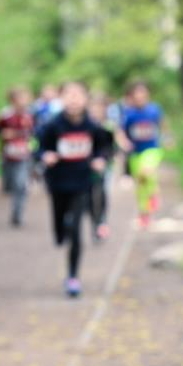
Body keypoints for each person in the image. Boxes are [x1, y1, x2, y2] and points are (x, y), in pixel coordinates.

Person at [36, 81, 111, 298]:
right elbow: (39, 147)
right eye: (68, 94)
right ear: (61, 99)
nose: (73, 99)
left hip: (82, 183)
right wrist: (44, 156)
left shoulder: (92, 126)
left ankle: (72, 276)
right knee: (60, 232)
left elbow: (105, 146)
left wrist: (100, 159)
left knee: (76, 229)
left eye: (78, 94)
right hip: (58, 183)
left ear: (85, 99)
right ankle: (61, 231)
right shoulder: (52, 125)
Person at [117, 80, 168, 228]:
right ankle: (144, 214)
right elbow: (120, 131)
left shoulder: (154, 110)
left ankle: (154, 195)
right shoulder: (128, 113)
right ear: (132, 96)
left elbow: (163, 124)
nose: (140, 96)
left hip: (152, 150)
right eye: (136, 93)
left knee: (147, 172)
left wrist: (167, 137)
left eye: (142, 92)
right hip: (135, 153)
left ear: (147, 94)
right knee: (140, 185)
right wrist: (124, 142)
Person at [0, 86, 36, 227]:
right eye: (21, 98)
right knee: (10, 185)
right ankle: (15, 204)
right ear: (12, 100)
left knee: (21, 184)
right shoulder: (5, 115)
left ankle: (17, 214)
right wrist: (4, 133)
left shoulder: (30, 115)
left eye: (26, 98)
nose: (24, 101)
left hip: (24, 156)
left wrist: (30, 142)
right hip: (8, 155)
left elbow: (36, 132)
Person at [86, 92, 117, 241]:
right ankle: (94, 222)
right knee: (89, 198)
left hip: (104, 167)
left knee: (102, 193)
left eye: (99, 108)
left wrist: (104, 160)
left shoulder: (108, 126)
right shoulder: (84, 126)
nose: (96, 112)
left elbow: (111, 147)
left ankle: (102, 222)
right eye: (93, 108)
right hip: (86, 168)